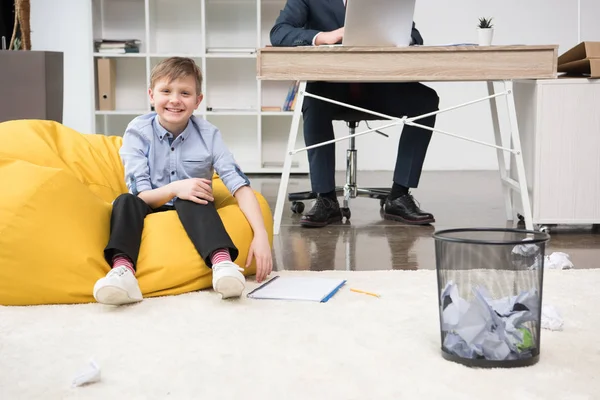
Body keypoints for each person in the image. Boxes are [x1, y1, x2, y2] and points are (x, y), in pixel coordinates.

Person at [93, 57, 272, 305]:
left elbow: (239, 185)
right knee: (125, 201)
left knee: (194, 195)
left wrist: (260, 234)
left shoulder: (209, 134)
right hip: (149, 203)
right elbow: (142, 195)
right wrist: (176, 188)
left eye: (185, 93)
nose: (175, 100)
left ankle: (222, 265)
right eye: (166, 91)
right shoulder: (137, 131)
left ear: (198, 101)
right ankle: (123, 272)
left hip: (193, 210)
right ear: (151, 95)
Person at [270, 0, 440, 228]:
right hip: (330, 89)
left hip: (379, 87)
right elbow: (279, 32)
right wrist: (323, 36)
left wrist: (399, 39)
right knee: (313, 99)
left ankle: (399, 196)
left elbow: (414, 35)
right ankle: (326, 198)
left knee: (426, 101)